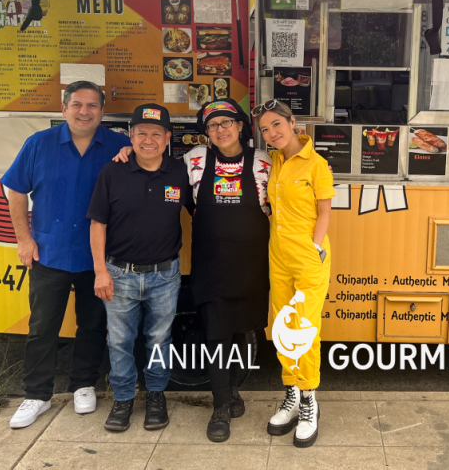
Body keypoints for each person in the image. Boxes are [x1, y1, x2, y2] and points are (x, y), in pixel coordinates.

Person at [114, 98, 272, 442]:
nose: (221, 130)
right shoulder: (193, 161)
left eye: (227, 123)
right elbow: (156, 167)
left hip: (252, 264)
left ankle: (232, 392)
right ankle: (219, 407)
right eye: (213, 125)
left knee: (244, 332)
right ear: (206, 133)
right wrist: (128, 154)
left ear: (241, 126)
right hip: (212, 262)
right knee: (216, 333)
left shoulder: (264, 163)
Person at [2, 81, 130, 429]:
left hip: (98, 259)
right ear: (64, 108)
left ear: (102, 111)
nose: (84, 112)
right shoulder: (38, 144)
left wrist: (131, 156)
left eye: (92, 106)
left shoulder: (120, 146)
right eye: (77, 105)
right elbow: (15, 191)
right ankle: (37, 395)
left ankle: (83, 384)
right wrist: (24, 239)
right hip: (50, 252)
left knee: (92, 324)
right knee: (43, 327)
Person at [88, 103, 191, 432]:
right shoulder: (112, 172)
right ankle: (123, 398)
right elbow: (97, 224)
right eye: (141, 133)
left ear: (167, 138)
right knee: (119, 341)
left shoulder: (179, 172)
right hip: (119, 273)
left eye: (156, 133)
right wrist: (100, 272)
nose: (149, 139)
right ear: (130, 136)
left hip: (165, 274)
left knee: (159, 339)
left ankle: (157, 395)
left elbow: (204, 210)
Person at [254, 99, 334, 448]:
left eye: (276, 124)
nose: (272, 134)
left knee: (305, 329)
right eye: (265, 130)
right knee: (281, 328)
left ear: (292, 121)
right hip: (278, 258)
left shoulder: (316, 164)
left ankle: (309, 402)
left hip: (307, 259)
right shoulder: (272, 160)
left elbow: (326, 211)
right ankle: (292, 393)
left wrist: (316, 247)